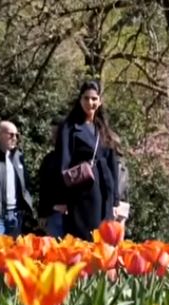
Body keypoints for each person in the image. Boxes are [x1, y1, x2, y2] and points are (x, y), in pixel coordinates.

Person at [57, 81, 120, 241]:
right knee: (86, 237)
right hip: (83, 190)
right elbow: (64, 161)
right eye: (86, 98)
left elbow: (112, 164)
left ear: (100, 101)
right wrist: (62, 198)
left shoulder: (103, 128)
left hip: (105, 190)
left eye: (94, 99)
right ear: (80, 100)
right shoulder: (69, 127)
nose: (90, 103)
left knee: (104, 239)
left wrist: (115, 200)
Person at [35, 116, 66, 238]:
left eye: (56, 134)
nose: (53, 137)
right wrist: (42, 214)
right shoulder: (49, 159)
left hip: (74, 216)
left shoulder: (76, 158)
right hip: (53, 215)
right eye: (52, 133)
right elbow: (43, 188)